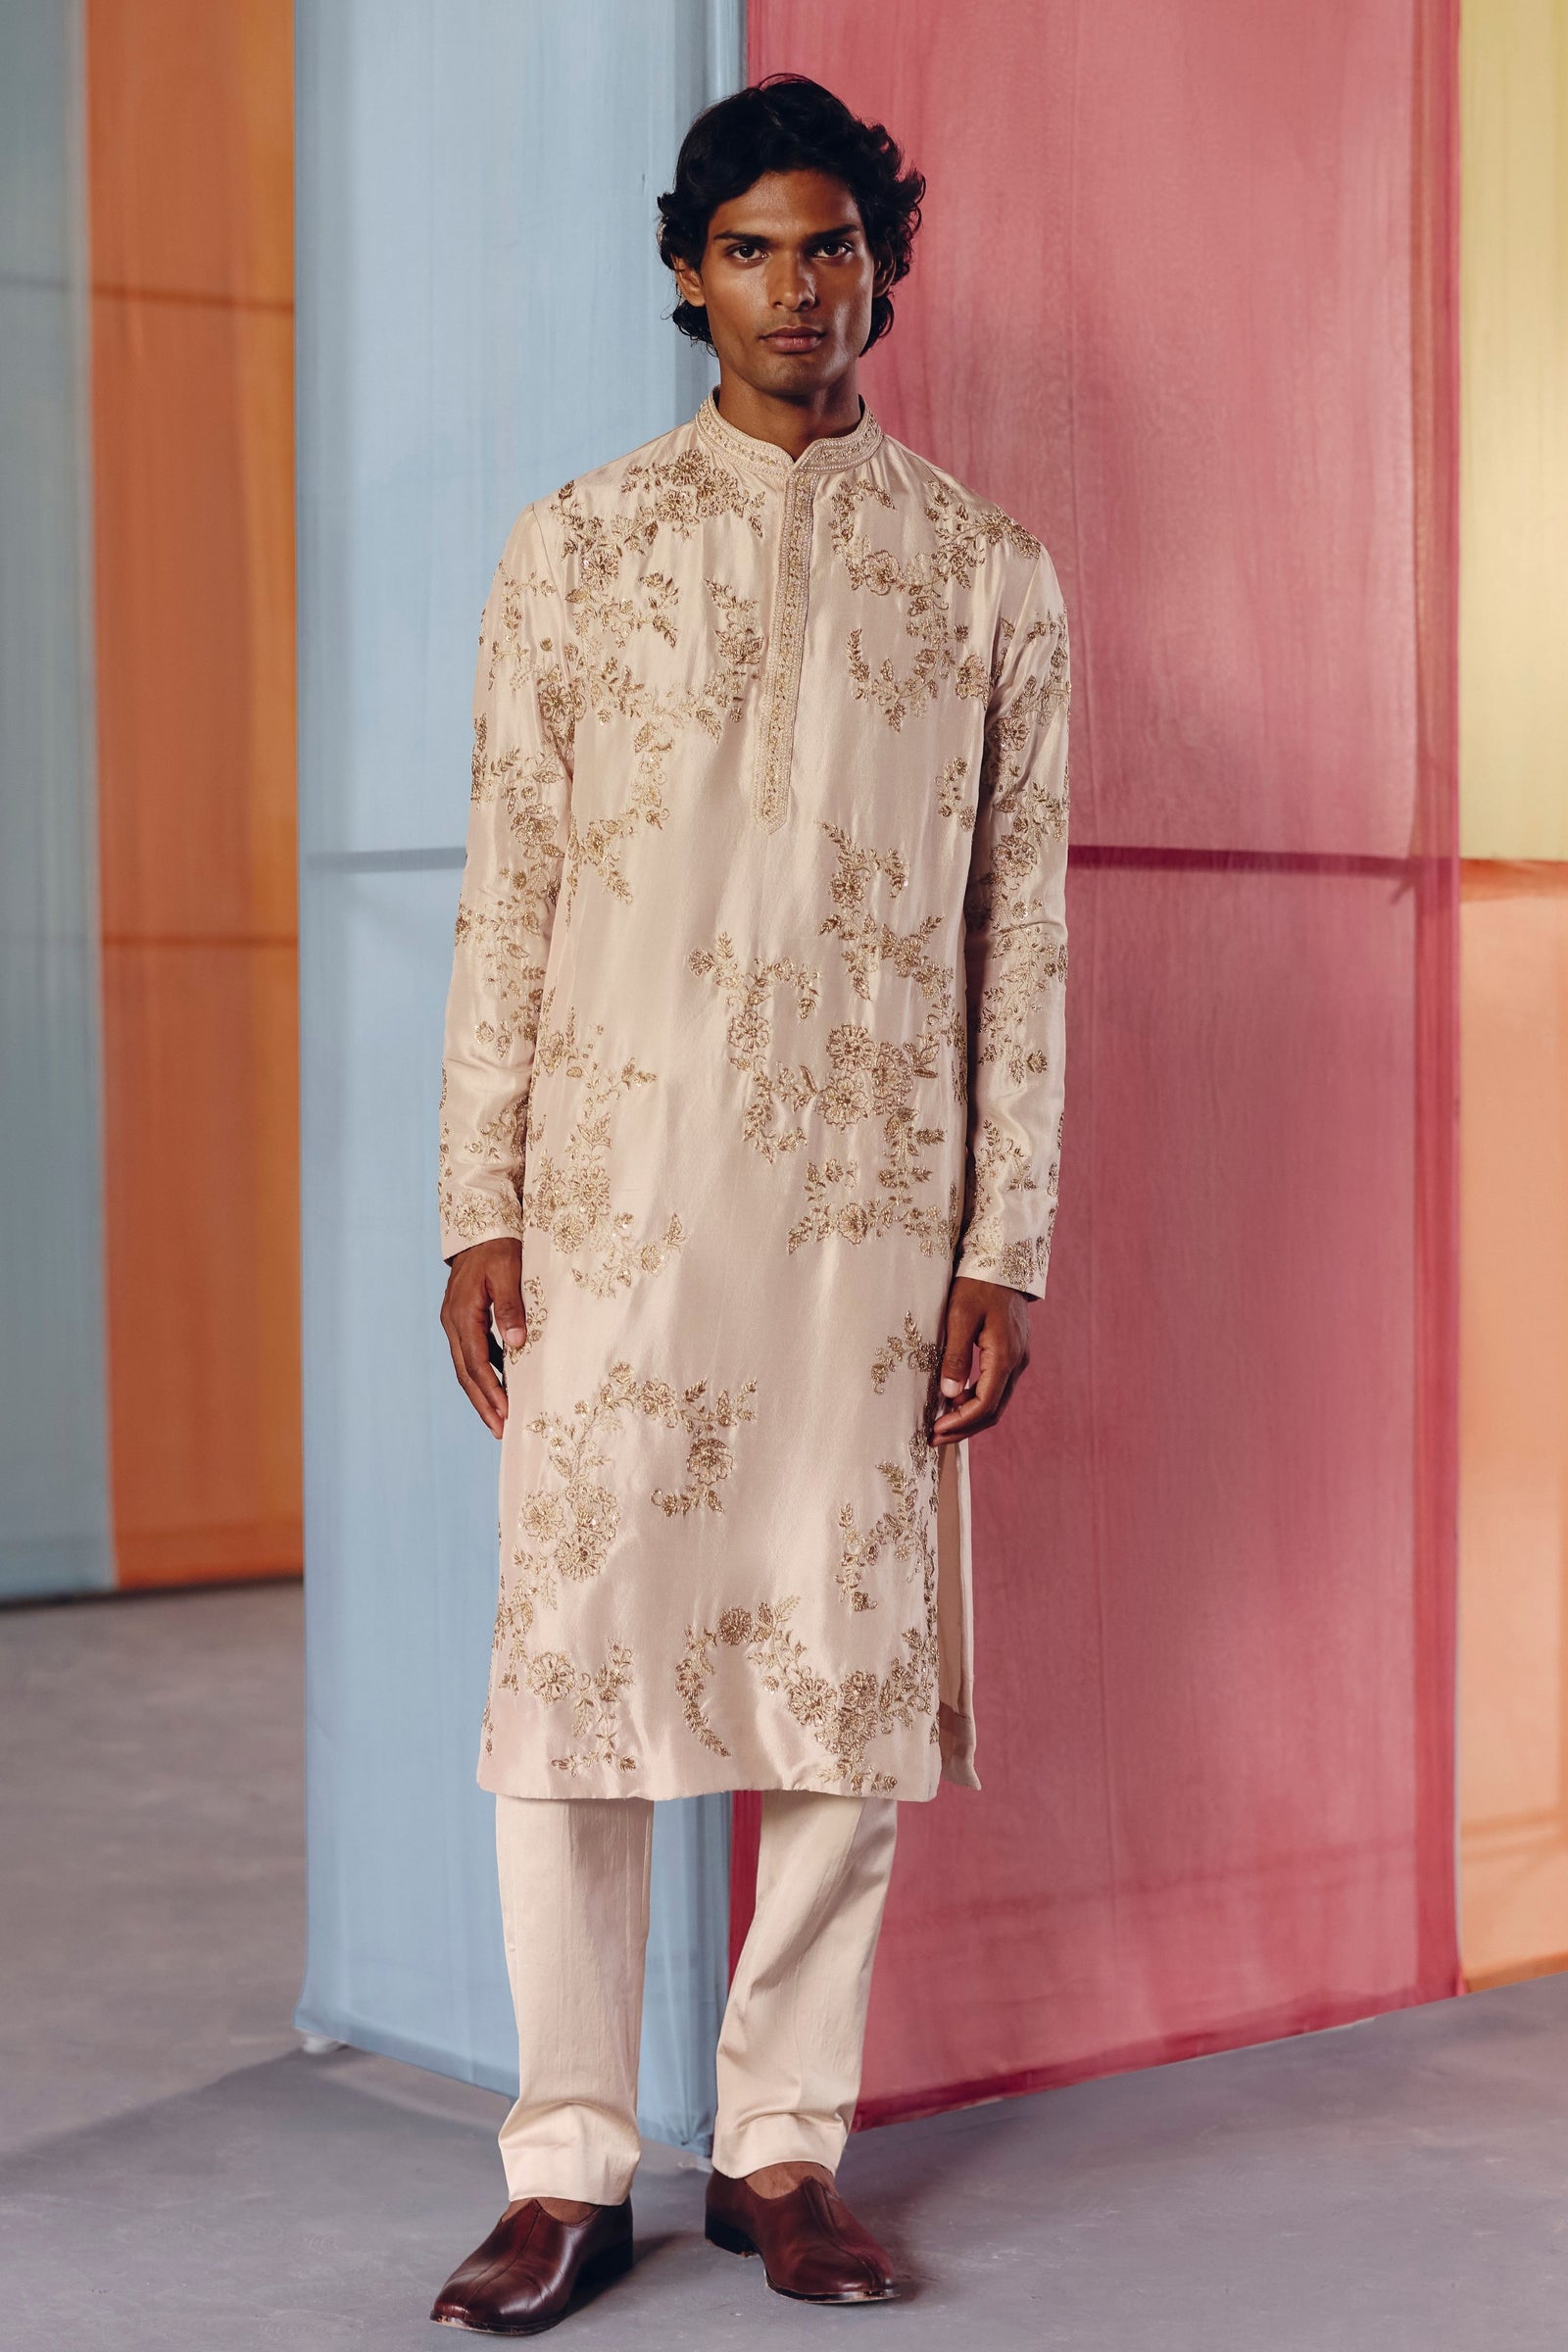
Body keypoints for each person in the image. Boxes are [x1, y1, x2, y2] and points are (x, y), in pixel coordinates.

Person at [428, 71, 1070, 2334]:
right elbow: (509, 890)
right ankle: (565, 2169)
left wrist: (1001, 1238)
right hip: (613, 1205)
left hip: (862, 1228)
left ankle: (783, 2153)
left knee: (834, 1684)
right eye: (752, 250)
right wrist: (476, 1200)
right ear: (686, 275)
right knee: (571, 1687)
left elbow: (1019, 933)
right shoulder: (577, 549)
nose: (797, 288)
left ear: (879, 271)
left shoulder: (982, 573)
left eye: (832, 248)